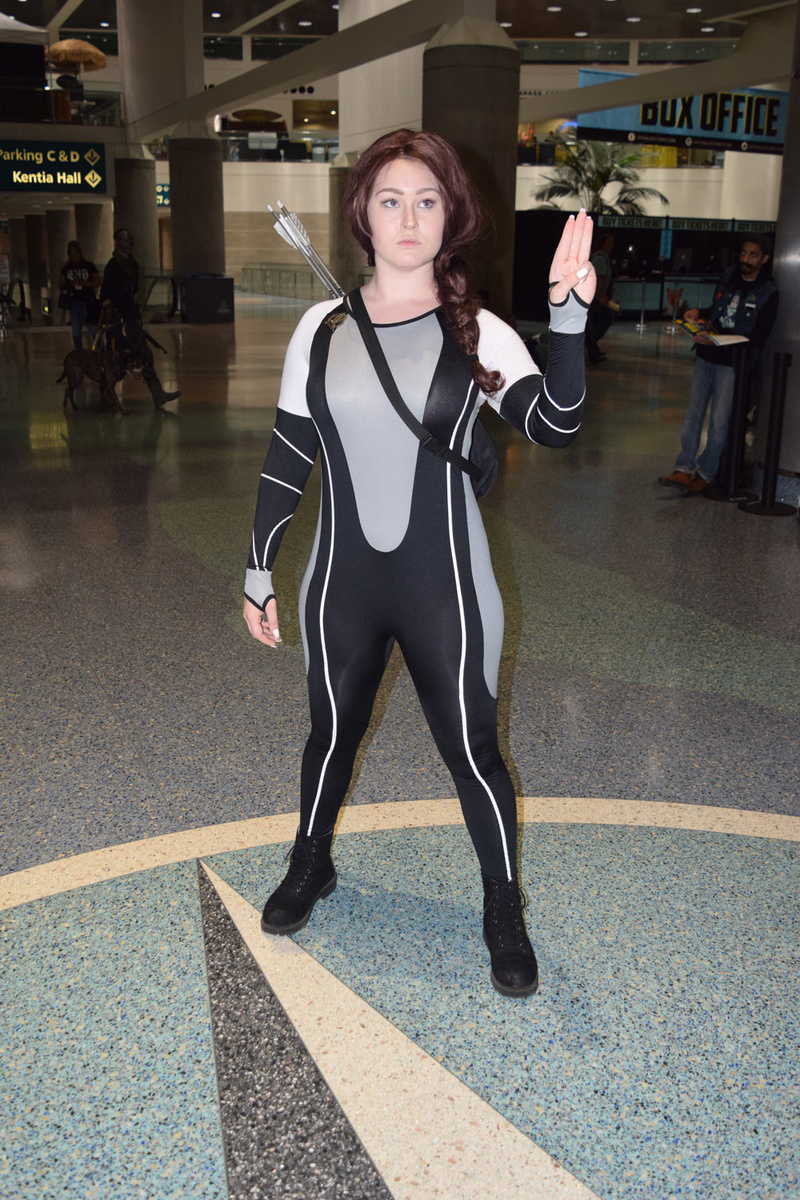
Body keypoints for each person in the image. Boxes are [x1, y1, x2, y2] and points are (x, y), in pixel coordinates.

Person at [242, 129, 595, 998]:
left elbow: (555, 424)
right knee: (330, 734)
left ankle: (502, 906)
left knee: (474, 751)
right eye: (391, 199)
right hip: (343, 581)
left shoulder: (478, 331)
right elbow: (289, 453)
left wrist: (569, 317)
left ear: (451, 217)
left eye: (427, 200)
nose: (409, 217)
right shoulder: (321, 329)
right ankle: (310, 862)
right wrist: (258, 568)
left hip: (449, 586)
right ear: (363, 212)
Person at [658, 235, 778, 494]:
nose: (746, 260)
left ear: (765, 259)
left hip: (731, 364)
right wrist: (699, 314)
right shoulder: (729, 276)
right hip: (706, 355)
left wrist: (728, 341)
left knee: (719, 422)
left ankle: (705, 473)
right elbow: (718, 310)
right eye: (744, 254)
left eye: (753, 255)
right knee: (693, 416)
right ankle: (683, 468)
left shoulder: (768, 291)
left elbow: (760, 336)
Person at [100, 228, 180, 409]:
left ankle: (157, 393)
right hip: (117, 320)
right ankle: (105, 395)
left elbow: (134, 293)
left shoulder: (133, 265)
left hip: (130, 319)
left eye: (128, 240)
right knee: (113, 358)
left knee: (144, 353)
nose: (126, 244)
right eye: (123, 240)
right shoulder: (112, 266)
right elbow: (105, 296)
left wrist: (137, 315)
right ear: (116, 242)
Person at [59, 240, 101, 351]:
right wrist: (70, 283)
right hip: (74, 302)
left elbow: (98, 281)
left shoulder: (89, 266)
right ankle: (79, 352)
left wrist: (87, 284)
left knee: (93, 328)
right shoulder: (66, 269)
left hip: (88, 301)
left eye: (76, 255)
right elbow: (61, 284)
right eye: (72, 256)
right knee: (76, 329)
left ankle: (100, 349)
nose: (75, 258)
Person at [584, 232, 616, 364]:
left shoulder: (604, 259)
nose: (611, 245)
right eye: (608, 243)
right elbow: (599, 279)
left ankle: (592, 347)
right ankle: (591, 346)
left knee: (592, 323)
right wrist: (602, 296)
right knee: (606, 318)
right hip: (595, 297)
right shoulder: (599, 259)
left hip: (595, 297)